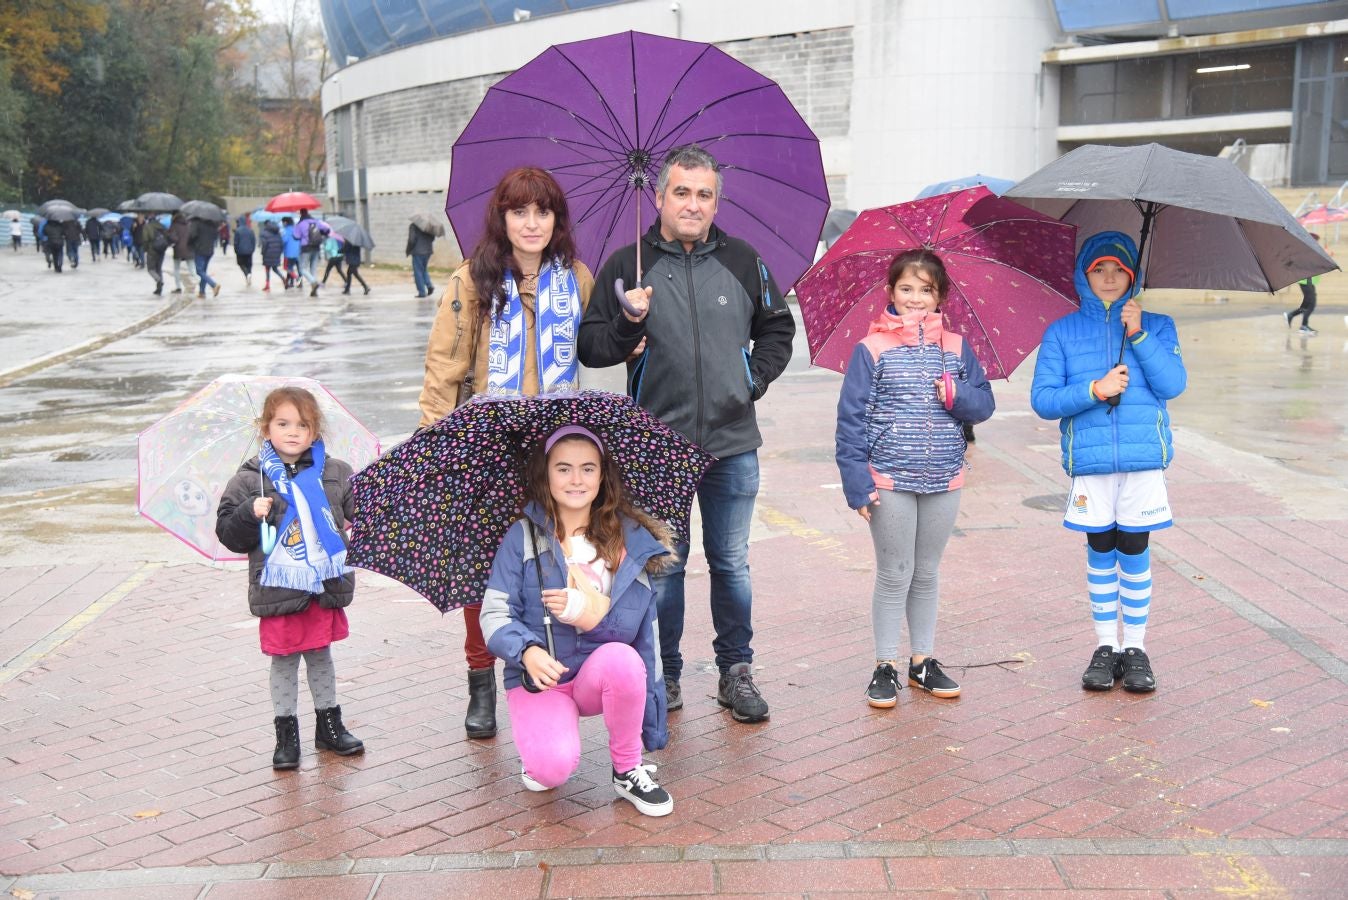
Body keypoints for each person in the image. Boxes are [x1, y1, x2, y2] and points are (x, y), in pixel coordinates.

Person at [578, 144, 795, 724]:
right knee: (664, 568)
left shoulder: (746, 261)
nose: (693, 204)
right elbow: (590, 345)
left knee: (731, 563)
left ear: (716, 202)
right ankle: (664, 673)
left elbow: (778, 327)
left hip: (731, 443)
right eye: (682, 192)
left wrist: (754, 376)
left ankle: (736, 671)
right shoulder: (630, 264)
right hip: (656, 445)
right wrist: (628, 324)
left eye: (704, 194)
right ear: (660, 197)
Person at [419, 166, 595, 739]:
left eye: (542, 211)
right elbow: (444, 370)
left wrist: (632, 323)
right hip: (486, 444)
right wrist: (434, 447)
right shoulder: (473, 281)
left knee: (548, 562)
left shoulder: (577, 280)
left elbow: (599, 344)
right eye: (519, 211)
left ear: (556, 220)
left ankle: (538, 671)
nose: (531, 222)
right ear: (502, 217)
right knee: (482, 570)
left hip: (554, 445)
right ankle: (480, 679)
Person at [480, 425, 674, 816]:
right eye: (563, 468)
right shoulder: (522, 538)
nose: (576, 479)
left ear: (603, 476)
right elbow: (494, 614)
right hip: (542, 678)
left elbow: (636, 633)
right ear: (545, 474)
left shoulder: (626, 540)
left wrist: (585, 612)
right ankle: (540, 749)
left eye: (588, 468)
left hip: (596, 674)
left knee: (623, 660)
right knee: (550, 771)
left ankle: (627, 769)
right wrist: (527, 651)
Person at [834, 249, 995, 708]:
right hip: (889, 478)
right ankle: (884, 665)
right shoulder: (871, 350)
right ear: (891, 292)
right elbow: (851, 420)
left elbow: (983, 405)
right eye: (907, 288)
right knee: (894, 574)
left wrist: (956, 394)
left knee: (926, 573)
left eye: (926, 290)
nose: (916, 299)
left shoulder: (957, 348)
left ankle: (922, 661)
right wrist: (856, 483)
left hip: (944, 476)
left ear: (940, 296)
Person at [1030, 231, 1187, 694]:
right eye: (1099, 269)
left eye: (1119, 269)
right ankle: (1105, 646)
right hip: (1090, 463)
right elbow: (1043, 399)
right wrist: (1094, 391)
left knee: (1134, 551)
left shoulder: (1157, 325)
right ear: (1084, 274)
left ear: (1132, 275)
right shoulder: (1061, 331)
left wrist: (1137, 334)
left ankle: (1135, 648)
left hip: (1141, 461)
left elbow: (1172, 384)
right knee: (1100, 552)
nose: (1109, 277)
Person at [215, 386, 364, 770]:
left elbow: (358, 513)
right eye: (283, 423)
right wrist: (250, 512)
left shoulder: (335, 472)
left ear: (315, 431)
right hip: (279, 589)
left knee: (320, 655)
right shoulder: (252, 480)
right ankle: (286, 734)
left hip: (322, 587)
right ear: (266, 429)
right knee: (284, 662)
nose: (293, 431)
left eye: (303, 424)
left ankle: (330, 725)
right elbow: (230, 534)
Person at [188, 215, 221, 297]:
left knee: (199, 271)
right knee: (203, 271)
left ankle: (213, 285)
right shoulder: (212, 224)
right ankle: (202, 292)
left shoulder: (196, 223)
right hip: (209, 250)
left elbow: (192, 236)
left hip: (200, 249)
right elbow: (216, 236)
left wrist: (190, 244)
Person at [295, 210, 323, 297]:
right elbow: (324, 230)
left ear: (301, 214)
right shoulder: (316, 221)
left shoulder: (301, 223)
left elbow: (296, 236)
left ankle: (313, 282)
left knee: (302, 269)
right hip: (316, 247)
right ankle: (314, 291)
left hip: (306, 248)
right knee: (313, 269)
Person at [406, 218, 436, 298]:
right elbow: (432, 238)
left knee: (418, 272)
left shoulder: (413, 226)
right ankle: (429, 286)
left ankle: (422, 292)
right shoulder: (428, 226)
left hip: (417, 252)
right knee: (423, 269)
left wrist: (408, 250)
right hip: (428, 251)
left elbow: (411, 240)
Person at [141, 213, 168, 296]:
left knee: (151, 269)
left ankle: (159, 280)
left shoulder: (147, 227)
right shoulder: (162, 226)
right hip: (161, 250)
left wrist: (145, 249)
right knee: (159, 269)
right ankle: (159, 289)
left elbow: (145, 239)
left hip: (152, 250)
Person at [167, 213, 192, 294]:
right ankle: (198, 283)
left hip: (178, 248)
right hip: (188, 248)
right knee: (192, 268)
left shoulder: (174, 225)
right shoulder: (188, 224)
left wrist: (171, 239)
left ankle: (178, 287)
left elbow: (173, 237)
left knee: (176, 269)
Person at [259, 220, 286, 291]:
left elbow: (264, 244)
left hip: (268, 253)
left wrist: (262, 252)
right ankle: (283, 278)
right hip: (276, 253)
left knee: (267, 269)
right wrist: (280, 252)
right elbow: (281, 243)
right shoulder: (277, 232)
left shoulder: (264, 233)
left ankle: (267, 285)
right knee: (275, 268)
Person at [234, 215, 256, 286]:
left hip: (240, 251)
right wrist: (252, 249)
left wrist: (236, 250)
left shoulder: (237, 231)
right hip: (249, 251)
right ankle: (249, 275)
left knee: (241, 264)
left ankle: (247, 275)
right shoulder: (250, 230)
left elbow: (236, 242)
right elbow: (253, 241)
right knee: (249, 265)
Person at [281, 217, 301, 289]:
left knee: (286, 267)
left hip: (289, 253)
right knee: (293, 268)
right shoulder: (296, 229)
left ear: (285, 222)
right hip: (298, 252)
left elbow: (284, 241)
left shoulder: (286, 231)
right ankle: (290, 283)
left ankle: (297, 278)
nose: (282, 224)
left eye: (283, 222)